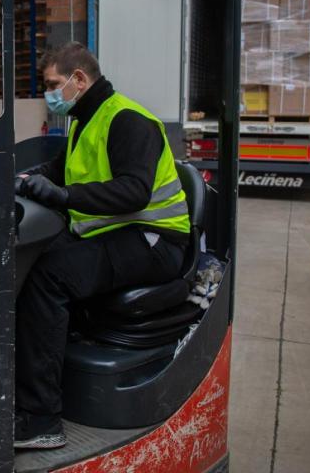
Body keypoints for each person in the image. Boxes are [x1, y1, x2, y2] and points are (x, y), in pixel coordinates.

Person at [13, 43, 191, 450]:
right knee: (34, 257)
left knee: (48, 278)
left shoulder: (128, 119)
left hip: (155, 240)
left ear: (79, 79)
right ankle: (30, 379)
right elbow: (59, 171)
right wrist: (22, 180)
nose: (50, 94)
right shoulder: (84, 120)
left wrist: (62, 196)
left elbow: (133, 191)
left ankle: (40, 420)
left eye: (53, 85)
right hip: (117, 233)